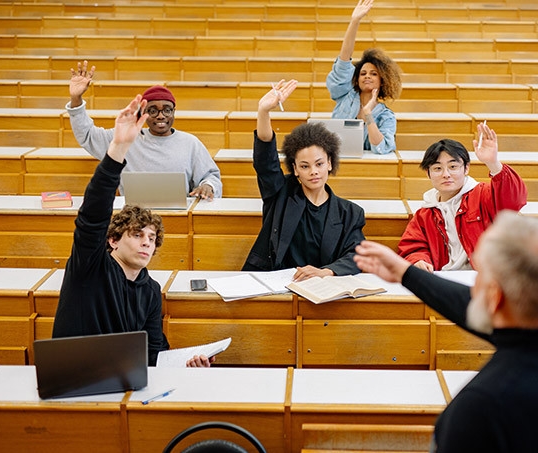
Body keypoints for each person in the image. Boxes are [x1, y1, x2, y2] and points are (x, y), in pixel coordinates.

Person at [354, 211, 538, 452]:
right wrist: (406, 273)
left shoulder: (482, 406)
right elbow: (479, 310)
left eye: (479, 276)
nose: (473, 285)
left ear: (494, 296)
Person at [53, 95, 213, 368]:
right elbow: (92, 214)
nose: (146, 244)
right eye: (137, 235)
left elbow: (153, 354)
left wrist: (187, 364)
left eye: (152, 238)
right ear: (113, 240)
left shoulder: (150, 291)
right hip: (74, 375)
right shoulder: (90, 265)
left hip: (125, 381)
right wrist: (118, 147)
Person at [242, 79, 366, 281]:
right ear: (295, 169)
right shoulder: (280, 193)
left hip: (321, 288)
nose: (313, 172)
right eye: (304, 166)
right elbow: (266, 162)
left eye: (319, 164)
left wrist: (326, 272)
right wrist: (263, 112)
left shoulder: (350, 213)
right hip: (276, 284)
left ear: (330, 164)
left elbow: (356, 255)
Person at [67, 60, 222, 200]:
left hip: (179, 216)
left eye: (167, 110)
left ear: (174, 112)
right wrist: (76, 99)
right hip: (132, 218)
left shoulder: (190, 143)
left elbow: (211, 176)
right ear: (143, 113)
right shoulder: (125, 139)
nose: (161, 116)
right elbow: (87, 135)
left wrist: (208, 186)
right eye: (153, 111)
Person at [397, 122, 527, 272]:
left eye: (453, 167)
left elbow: (514, 200)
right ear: (428, 173)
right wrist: (419, 260)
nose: (446, 174)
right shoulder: (425, 214)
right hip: (445, 280)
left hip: (485, 277)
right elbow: (413, 247)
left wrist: (493, 164)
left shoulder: (482, 195)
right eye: (437, 168)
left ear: (466, 168)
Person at [326, 0, 402, 155]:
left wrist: (368, 114)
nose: (367, 76)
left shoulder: (386, 115)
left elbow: (382, 147)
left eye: (374, 74)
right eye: (363, 73)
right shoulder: (345, 95)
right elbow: (344, 60)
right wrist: (355, 21)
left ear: (382, 81)